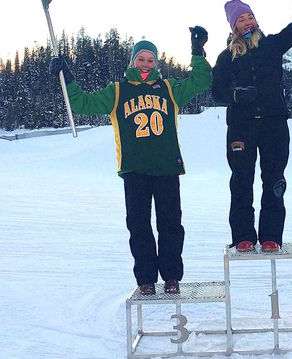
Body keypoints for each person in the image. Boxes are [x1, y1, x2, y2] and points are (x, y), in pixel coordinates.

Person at [49, 28, 211, 295]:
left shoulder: (169, 89)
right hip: (134, 169)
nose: (145, 64)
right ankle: (146, 279)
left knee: (171, 224)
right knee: (138, 225)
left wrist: (197, 52)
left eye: (150, 60)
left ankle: (171, 276)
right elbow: (84, 104)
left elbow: (200, 81)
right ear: (132, 62)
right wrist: (67, 78)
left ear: (156, 64)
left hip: (167, 167)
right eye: (141, 59)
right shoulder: (117, 91)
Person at [212, 0, 292, 253]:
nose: (248, 21)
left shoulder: (272, 45)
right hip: (241, 126)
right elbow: (217, 92)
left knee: (274, 179)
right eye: (242, 19)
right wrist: (237, 95)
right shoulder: (226, 57)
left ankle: (270, 237)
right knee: (241, 181)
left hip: (274, 123)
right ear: (233, 26)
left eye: (250, 16)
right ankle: (243, 235)